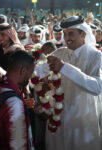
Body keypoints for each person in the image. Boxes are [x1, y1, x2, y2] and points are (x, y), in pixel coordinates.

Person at [46, 15, 102, 150]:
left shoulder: (96, 55)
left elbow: (97, 87)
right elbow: (39, 73)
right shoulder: (59, 53)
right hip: (59, 115)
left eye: (71, 33)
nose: (66, 38)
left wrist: (65, 68)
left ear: (83, 34)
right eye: (64, 33)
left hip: (83, 117)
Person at [0, 50, 35, 150]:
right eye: (31, 72)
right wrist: (20, 106)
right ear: (23, 71)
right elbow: (18, 145)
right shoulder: (14, 104)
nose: (30, 77)